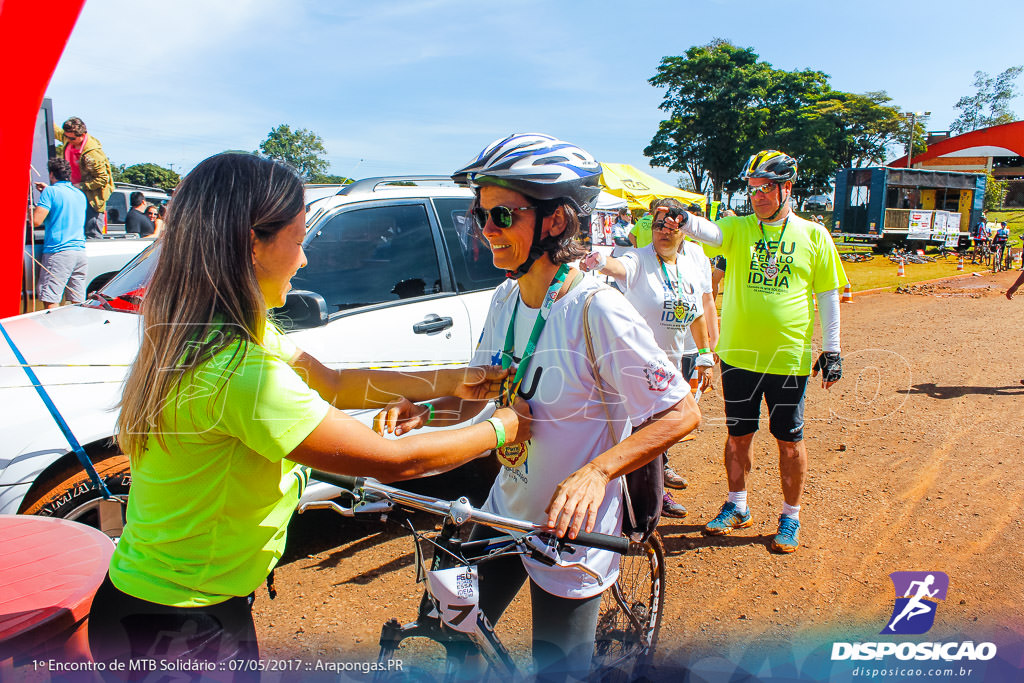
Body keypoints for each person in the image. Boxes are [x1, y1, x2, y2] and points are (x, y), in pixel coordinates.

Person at [87, 153, 532, 676]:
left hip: (156, 601)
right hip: (179, 622)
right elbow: (395, 461)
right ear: (251, 243)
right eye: (298, 241)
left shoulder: (217, 331)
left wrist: (454, 379)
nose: (303, 261)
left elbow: (336, 382)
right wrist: (503, 426)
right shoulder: (241, 371)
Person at [384, 134, 699, 678]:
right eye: (477, 217)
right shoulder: (504, 299)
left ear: (556, 221)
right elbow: (488, 395)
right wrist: (428, 410)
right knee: (445, 632)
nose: (486, 231)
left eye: (502, 215)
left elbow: (681, 412)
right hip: (504, 510)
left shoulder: (597, 309)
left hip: (570, 529)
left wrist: (596, 474)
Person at [672, 150, 847, 554]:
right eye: (751, 189)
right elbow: (710, 233)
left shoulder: (813, 234)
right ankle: (737, 506)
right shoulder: (739, 229)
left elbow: (829, 294)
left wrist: (832, 348)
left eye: (765, 188)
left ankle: (790, 516)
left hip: (788, 359)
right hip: (738, 357)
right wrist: (685, 217)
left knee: (789, 440)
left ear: (787, 188)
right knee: (737, 438)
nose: (757, 196)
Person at [580, 196, 713, 519]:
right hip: (637, 364)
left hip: (674, 360)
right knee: (641, 432)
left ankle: (656, 481)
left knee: (664, 427)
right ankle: (646, 499)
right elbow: (619, 266)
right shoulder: (639, 259)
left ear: (684, 229)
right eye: (657, 225)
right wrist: (599, 261)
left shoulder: (691, 263)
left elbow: (695, 312)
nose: (663, 232)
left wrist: (706, 354)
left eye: (671, 226)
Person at [31, 157, 87, 309]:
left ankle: (51, 331)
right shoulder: (79, 194)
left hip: (59, 252)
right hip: (80, 253)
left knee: (50, 297)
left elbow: (36, 221)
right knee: (78, 300)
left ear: (51, 174)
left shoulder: (50, 192)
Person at [54, 117, 115, 237]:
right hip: (73, 193)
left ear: (83, 134)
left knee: (91, 232)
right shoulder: (68, 138)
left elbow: (102, 179)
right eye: (66, 137)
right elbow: (56, 131)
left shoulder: (92, 154)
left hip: (91, 198)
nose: (68, 140)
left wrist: (81, 186)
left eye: (72, 138)